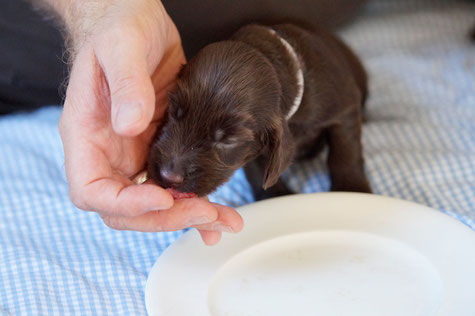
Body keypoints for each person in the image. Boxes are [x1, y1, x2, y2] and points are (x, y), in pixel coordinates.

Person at [0, 0, 367, 245]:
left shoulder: (320, 94)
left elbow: (346, 109)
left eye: (224, 138)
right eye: (176, 110)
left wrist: (349, 178)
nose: (173, 171)